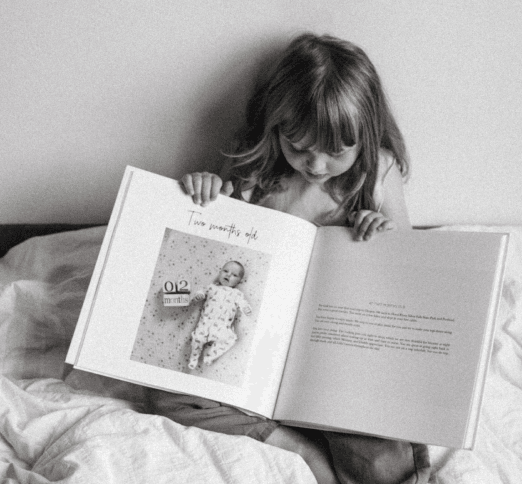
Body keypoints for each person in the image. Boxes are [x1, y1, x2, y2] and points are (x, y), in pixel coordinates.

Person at [148, 33, 430, 484]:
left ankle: (322, 430)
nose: (315, 165)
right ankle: (294, 445)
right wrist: (203, 197)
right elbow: (205, 256)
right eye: (298, 146)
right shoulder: (252, 174)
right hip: (262, 345)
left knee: (386, 456)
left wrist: (381, 236)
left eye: (336, 152)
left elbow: (409, 274)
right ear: (275, 127)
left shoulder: (378, 173)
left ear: (367, 133)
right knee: (168, 390)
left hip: (337, 355)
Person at [188, 261, 252, 370]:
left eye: (234, 275)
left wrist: (245, 308)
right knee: (197, 339)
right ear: (220, 272)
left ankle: (210, 355)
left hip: (222, 327)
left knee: (230, 339)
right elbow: (202, 292)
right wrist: (198, 296)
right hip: (205, 324)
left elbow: (242, 302)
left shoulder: (236, 294)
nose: (228, 275)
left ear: (239, 281)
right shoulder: (212, 287)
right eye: (225, 271)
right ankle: (194, 357)